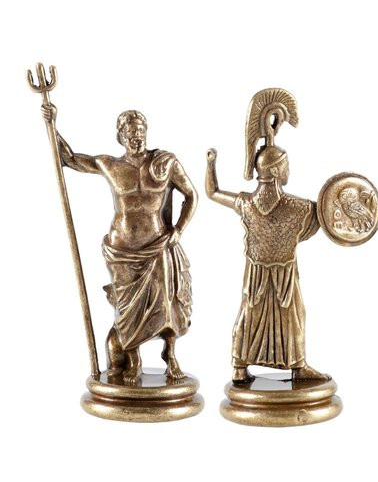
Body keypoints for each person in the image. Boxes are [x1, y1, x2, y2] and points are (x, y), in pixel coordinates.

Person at [47, 103, 196, 382]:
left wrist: (178, 229)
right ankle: (133, 358)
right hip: (122, 251)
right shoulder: (110, 165)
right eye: (130, 133)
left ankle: (170, 354)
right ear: (121, 137)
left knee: (166, 302)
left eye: (140, 131)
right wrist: (52, 125)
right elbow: (69, 158)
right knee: (127, 309)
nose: (136, 137)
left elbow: (191, 195)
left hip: (157, 244)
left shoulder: (165, 163)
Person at [206, 144, 326, 384]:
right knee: (291, 314)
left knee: (252, 312)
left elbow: (213, 192)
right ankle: (295, 366)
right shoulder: (298, 207)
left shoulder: (246, 203)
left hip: (259, 272)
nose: (289, 170)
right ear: (275, 171)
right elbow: (325, 215)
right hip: (278, 273)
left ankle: (241, 365)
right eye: (286, 165)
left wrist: (211, 164)